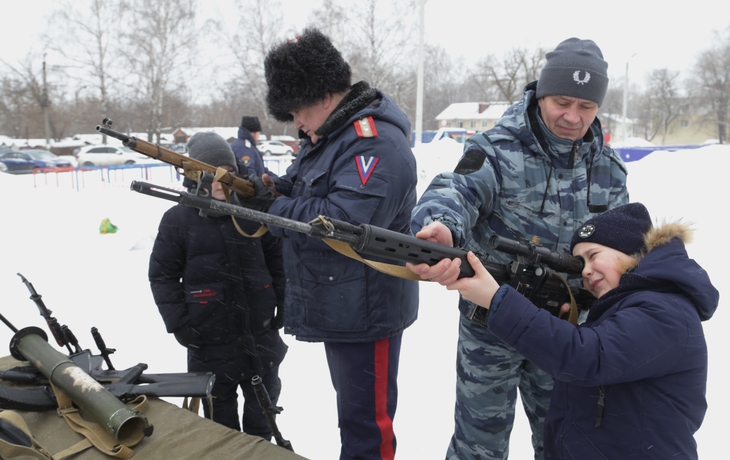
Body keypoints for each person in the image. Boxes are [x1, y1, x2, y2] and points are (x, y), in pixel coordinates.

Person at [408, 38, 629, 459]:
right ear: (541, 94)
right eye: (562, 102)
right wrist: (441, 227)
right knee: (479, 446)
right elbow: (456, 191)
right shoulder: (495, 149)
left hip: (566, 330)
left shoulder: (609, 169)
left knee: (565, 443)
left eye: (586, 106)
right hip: (492, 324)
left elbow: (622, 245)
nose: (572, 116)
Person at [421, 202, 718, 459]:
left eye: (593, 255)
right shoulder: (632, 308)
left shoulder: (664, 311)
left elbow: (586, 358)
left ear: (630, 249)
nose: (585, 271)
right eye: (580, 263)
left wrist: (497, 299)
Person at [252, 27, 419, 460]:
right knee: (354, 419)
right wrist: (268, 189)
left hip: (367, 307)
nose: (296, 123)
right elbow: (304, 187)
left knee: (367, 429)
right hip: (344, 301)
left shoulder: (373, 143)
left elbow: (342, 222)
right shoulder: (331, 136)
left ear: (324, 97)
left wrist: (274, 208)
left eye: (297, 112)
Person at [148, 131, 287, 437]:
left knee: (263, 424)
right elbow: (162, 276)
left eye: (229, 172)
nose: (221, 181)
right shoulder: (177, 219)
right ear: (194, 176)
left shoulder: (253, 212)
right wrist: (180, 324)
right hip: (209, 343)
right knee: (220, 430)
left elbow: (278, 262)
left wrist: (282, 303)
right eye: (212, 174)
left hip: (261, 339)